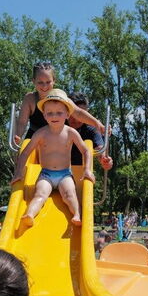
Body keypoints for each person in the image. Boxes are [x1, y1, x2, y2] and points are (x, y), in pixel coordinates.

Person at [11, 89, 96, 227]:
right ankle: (29, 215)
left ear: (67, 114)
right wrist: (19, 172)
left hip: (65, 175)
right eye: (49, 113)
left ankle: (77, 214)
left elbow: (86, 150)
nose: (54, 116)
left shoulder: (71, 133)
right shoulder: (40, 133)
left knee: (70, 195)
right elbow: (25, 153)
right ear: (44, 115)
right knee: (40, 195)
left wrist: (87, 170)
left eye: (59, 113)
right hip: (46, 175)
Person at [14, 62, 104, 145]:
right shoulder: (30, 99)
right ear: (33, 81)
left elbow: (78, 113)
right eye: (40, 82)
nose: (44, 86)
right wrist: (18, 136)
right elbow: (22, 122)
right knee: (23, 153)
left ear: (54, 80)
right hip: (34, 140)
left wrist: (97, 123)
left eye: (48, 82)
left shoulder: (60, 98)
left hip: (56, 141)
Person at [68, 92, 113, 171]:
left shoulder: (91, 129)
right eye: (73, 114)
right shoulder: (56, 123)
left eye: (82, 114)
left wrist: (104, 159)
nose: (76, 120)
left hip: (82, 172)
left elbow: (100, 148)